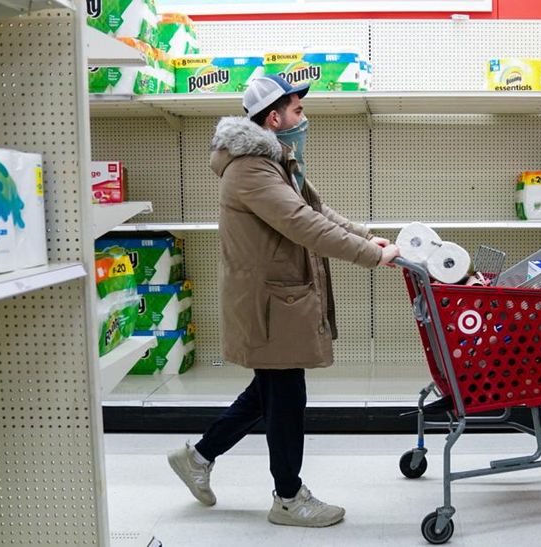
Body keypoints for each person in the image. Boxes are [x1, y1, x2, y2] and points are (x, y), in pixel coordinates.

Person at [167, 75, 400, 528]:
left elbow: (317, 210)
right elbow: (302, 225)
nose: (303, 118)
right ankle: (289, 497)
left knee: (268, 391)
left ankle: (197, 456)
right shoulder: (250, 169)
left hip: (279, 297)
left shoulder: (275, 159)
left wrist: (365, 236)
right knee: (286, 396)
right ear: (273, 118)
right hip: (269, 302)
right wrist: (370, 256)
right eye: (296, 111)